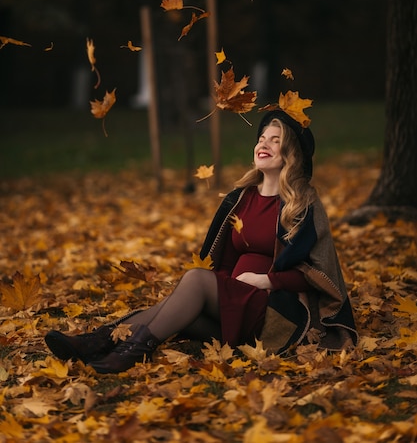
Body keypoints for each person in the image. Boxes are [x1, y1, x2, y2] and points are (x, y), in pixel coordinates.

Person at [45, 109, 357, 374]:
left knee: (194, 281)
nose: (264, 143)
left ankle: (129, 352)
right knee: (173, 306)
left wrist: (266, 280)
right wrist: (223, 283)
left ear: (291, 154)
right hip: (232, 305)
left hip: (271, 312)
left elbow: (316, 272)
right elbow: (222, 258)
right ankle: (95, 343)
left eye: (276, 140)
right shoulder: (241, 198)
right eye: (262, 137)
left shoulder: (302, 206)